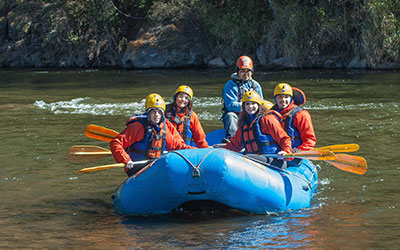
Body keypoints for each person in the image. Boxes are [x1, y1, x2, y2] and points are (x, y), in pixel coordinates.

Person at [110, 93, 195, 176]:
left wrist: (195, 151)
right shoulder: (138, 127)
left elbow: (176, 146)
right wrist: (126, 159)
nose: (156, 115)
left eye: (159, 112)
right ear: (148, 113)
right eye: (153, 112)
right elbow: (116, 143)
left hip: (154, 167)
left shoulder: (163, 127)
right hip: (137, 169)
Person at [222, 91, 292, 163]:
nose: (250, 107)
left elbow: (284, 138)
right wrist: (219, 151)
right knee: (245, 156)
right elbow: (234, 145)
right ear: (244, 106)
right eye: (247, 104)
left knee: (247, 157)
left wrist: (286, 150)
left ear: (258, 105)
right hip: (254, 160)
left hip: (273, 160)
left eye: (253, 104)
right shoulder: (244, 124)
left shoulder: (267, 119)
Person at [221, 55, 263, 143]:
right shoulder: (230, 85)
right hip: (236, 117)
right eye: (242, 71)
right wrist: (247, 106)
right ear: (237, 71)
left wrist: (252, 108)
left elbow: (261, 104)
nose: (245, 74)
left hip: (252, 115)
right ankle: (231, 140)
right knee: (230, 115)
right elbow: (231, 106)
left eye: (248, 71)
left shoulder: (256, 85)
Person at [271, 83, 316, 151]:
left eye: (286, 97)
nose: (283, 100)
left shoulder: (301, 114)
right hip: (276, 153)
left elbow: (310, 139)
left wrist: (299, 151)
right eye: (280, 97)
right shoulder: (270, 114)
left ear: (291, 98)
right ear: (275, 98)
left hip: (295, 153)